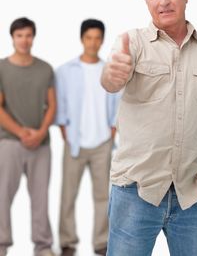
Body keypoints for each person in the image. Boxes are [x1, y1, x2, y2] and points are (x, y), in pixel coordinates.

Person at [101, 0, 197, 256]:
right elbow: (110, 82)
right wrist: (112, 73)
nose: (163, 1)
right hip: (134, 193)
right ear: (145, 0)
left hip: (193, 197)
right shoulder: (131, 44)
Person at [55, 19, 120, 256]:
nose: (93, 42)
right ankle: (67, 242)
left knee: (103, 195)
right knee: (68, 194)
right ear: (82, 39)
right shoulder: (65, 71)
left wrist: (111, 133)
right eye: (88, 37)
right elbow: (60, 108)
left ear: (102, 40)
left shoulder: (109, 70)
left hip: (103, 143)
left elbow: (117, 107)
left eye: (97, 38)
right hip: (74, 143)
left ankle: (101, 242)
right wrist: (66, 135)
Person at [0, 18, 57, 256]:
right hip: (10, 142)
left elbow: (52, 105)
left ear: (34, 37)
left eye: (28, 35)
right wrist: (21, 132)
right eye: (19, 35)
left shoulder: (45, 69)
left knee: (40, 198)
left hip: (41, 144)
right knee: (2, 195)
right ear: (12, 38)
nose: (24, 40)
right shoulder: (2, 67)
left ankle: (43, 246)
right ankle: (1, 244)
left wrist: (42, 131)